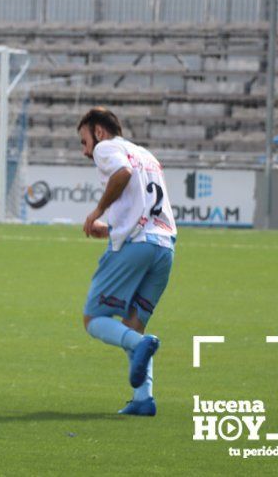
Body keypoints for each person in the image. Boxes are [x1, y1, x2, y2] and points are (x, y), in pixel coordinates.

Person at [77, 107, 176, 417]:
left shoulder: (108, 148)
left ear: (100, 132)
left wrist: (97, 212)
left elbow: (122, 175)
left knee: (93, 319)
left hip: (135, 246)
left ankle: (143, 345)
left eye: (84, 141)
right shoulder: (145, 154)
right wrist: (109, 228)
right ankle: (143, 399)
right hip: (164, 247)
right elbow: (145, 206)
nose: (85, 151)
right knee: (133, 326)